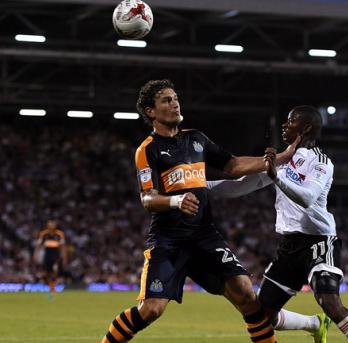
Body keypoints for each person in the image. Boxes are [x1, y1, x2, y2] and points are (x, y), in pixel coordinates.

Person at [100, 79, 299, 343]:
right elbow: (148, 198)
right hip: (168, 240)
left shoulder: (196, 139)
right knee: (151, 310)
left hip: (204, 235)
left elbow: (233, 165)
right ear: (150, 111)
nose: (174, 103)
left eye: (175, 98)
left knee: (246, 293)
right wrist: (175, 201)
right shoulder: (147, 150)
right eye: (166, 100)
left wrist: (275, 160)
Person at [208, 105, 348, 343]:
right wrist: (196, 185)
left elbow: (307, 197)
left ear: (305, 128)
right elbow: (240, 186)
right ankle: (314, 324)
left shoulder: (321, 162)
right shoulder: (281, 160)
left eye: (291, 121)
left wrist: (277, 176)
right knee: (263, 315)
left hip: (318, 241)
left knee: (329, 301)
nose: (285, 125)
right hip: (289, 246)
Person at [34, 220, 67, 298]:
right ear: (47, 226)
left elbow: (63, 246)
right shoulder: (43, 234)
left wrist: (64, 256)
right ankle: (50, 286)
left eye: (53, 224)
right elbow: (38, 245)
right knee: (47, 272)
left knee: (55, 270)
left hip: (56, 255)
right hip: (47, 255)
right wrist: (35, 254)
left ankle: (52, 287)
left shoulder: (59, 234)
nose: (52, 226)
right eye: (50, 224)